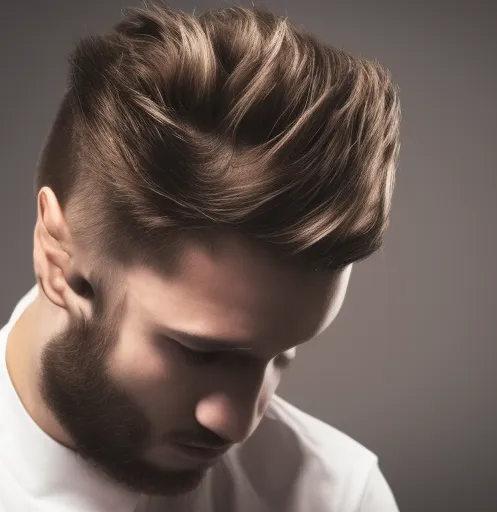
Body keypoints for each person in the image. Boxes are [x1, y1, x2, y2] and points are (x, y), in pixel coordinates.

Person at [0, 3, 401, 511]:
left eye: (282, 356)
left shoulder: (338, 496)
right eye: (201, 353)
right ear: (61, 262)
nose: (237, 423)